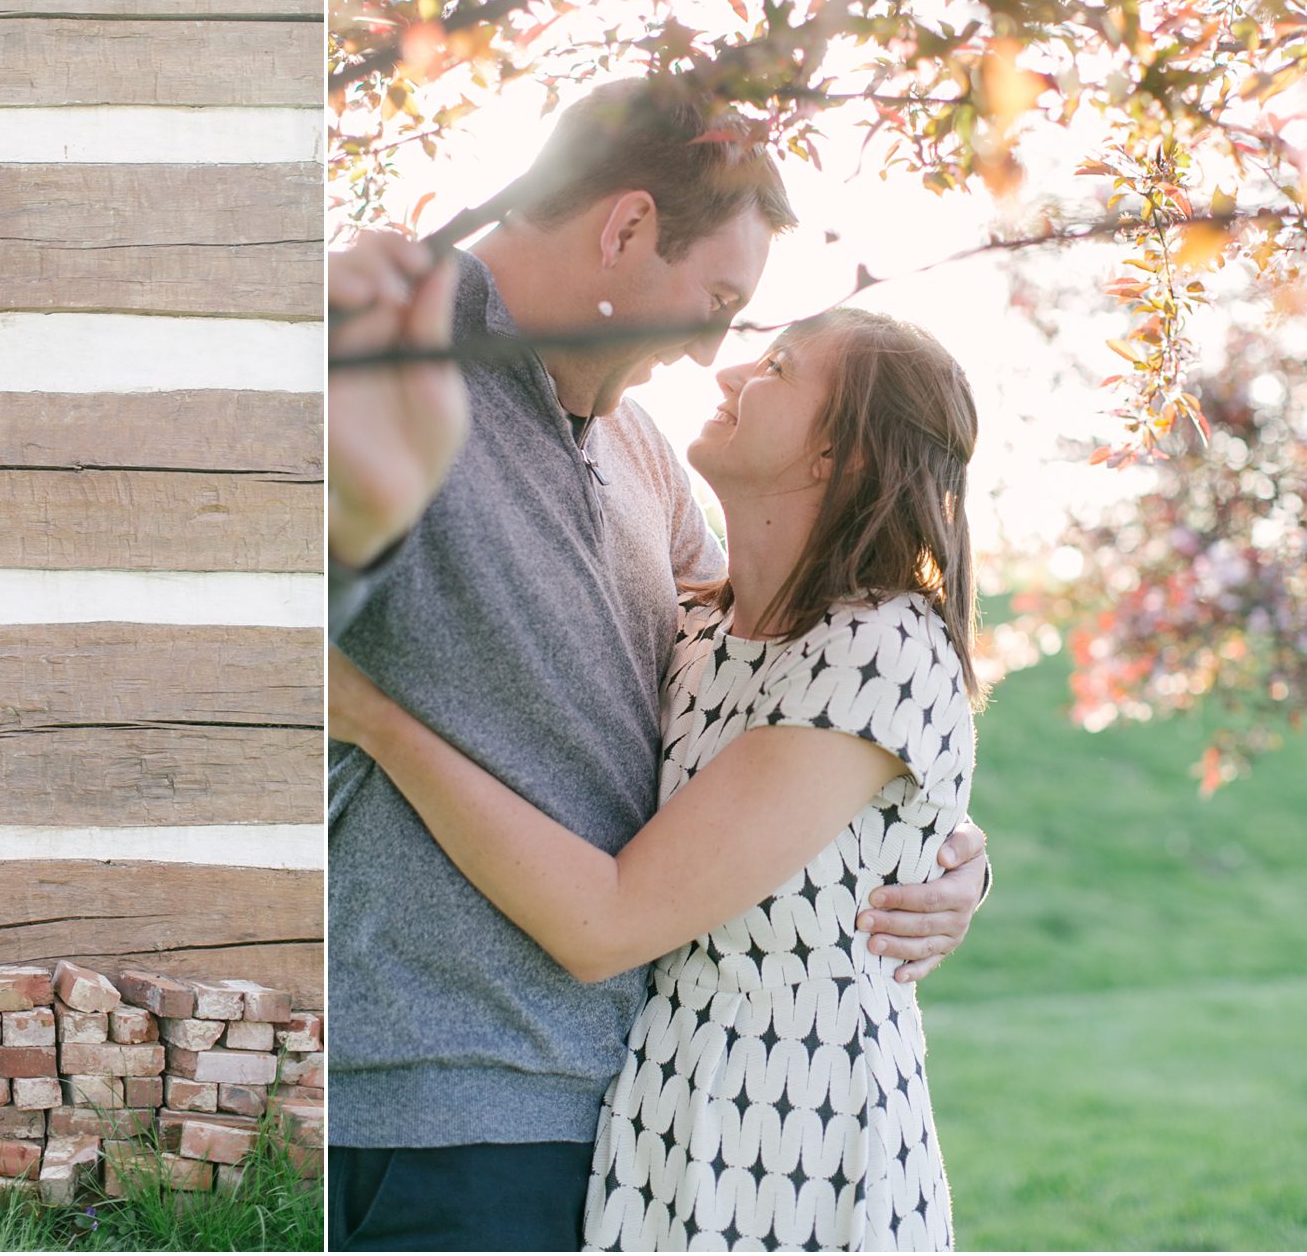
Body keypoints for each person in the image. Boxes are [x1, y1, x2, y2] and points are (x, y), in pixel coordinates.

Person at [327, 76, 989, 1251]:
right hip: (422, 1095)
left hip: (634, 1118)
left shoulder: (638, 456)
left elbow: (786, 683)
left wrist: (935, 850)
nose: (713, 352)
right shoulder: (382, 372)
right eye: (720, 300)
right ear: (625, 229)